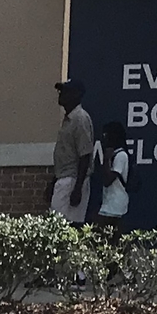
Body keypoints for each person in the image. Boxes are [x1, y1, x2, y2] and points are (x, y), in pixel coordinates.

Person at [49, 79, 95, 226]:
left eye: (66, 91)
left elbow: (85, 155)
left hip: (73, 180)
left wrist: (77, 188)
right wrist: (53, 181)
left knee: (65, 226)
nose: (61, 94)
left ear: (77, 95)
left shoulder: (80, 119)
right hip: (63, 178)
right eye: (60, 91)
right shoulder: (68, 119)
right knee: (57, 225)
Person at [89, 120, 134, 228]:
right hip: (108, 203)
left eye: (106, 135)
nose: (104, 139)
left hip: (115, 206)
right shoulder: (115, 154)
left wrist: (106, 159)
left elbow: (108, 180)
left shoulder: (121, 156)